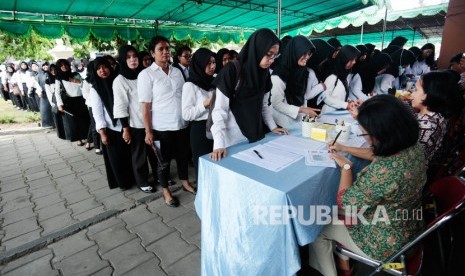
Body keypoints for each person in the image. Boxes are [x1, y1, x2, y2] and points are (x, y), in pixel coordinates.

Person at [310, 95, 426, 276]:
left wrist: (346, 167)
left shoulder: (385, 171)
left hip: (385, 242)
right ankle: (344, 262)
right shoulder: (412, 147)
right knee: (330, 212)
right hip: (408, 226)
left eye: (364, 133)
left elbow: (346, 205)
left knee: (315, 227)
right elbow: (378, 154)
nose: (365, 137)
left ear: (380, 135)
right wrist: (345, 148)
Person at [210, 28, 289, 161]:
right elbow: (219, 111)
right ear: (257, 49)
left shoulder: (264, 73)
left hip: (256, 134)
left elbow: (264, 105)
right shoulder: (232, 70)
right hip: (232, 138)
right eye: (269, 54)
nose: (271, 60)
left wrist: (273, 126)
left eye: (274, 55)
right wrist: (218, 144)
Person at [138, 35, 196, 207]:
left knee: (183, 156)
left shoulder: (176, 71)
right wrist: (148, 131)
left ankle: (185, 182)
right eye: (160, 49)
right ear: (152, 53)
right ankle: (166, 191)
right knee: (163, 163)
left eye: (166, 48)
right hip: (161, 127)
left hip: (181, 123)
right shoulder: (146, 75)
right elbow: (145, 106)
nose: (165, 52)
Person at [113, 45, 158, 193]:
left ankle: (159, 176)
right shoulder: (120, 80)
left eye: (135, 56)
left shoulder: (144, 74)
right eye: (128, 57)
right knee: (140, 154)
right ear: (122, 60)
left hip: (153, 120)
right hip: (136, 124)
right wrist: (125, 128)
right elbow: (121, 106)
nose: (133, 60)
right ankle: (142, 181)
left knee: (156, 150)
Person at [90, 57, 135, 190]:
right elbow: (97, 113)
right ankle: (122, 183)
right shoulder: (95, 89)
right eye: (98, 69)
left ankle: (133, 178)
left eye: (104, 67)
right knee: (116, 159)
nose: (102, 71)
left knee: (128, 156)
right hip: (110, 127)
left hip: (125, 124)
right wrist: (102, 133)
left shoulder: (118, 81)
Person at [411, 70, 464, 166]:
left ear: (428, 95)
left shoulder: (425, 125)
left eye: (416, 90)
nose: (412, 94)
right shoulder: (439, 114)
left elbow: (411, 160)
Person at [270, 35, 322, 128]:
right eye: (304, 53)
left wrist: (305, 114)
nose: (307, 57)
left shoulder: (303, 71)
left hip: (298, 120)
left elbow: (303, 96)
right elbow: (276, 104)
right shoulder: (279, 75)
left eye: (309, 53)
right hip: (282, 122)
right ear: (295, 52)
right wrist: (302, 110)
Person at [181, 48, 216, 181]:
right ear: (200, 64)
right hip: (200, 130)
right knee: (203, 168)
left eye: (213, 62)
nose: (212, 66)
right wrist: (204, 105)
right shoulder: (190, 85)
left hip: (216, 126)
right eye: (208, 63)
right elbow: (186, 114)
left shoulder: (215, 80)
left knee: (217, 164)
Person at [55, 58, 90, 145]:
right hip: (69, 101)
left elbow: (83, 84)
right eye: (61, 66)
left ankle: (86, 137)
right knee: (73, 121)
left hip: (80, 99)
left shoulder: (76, 74)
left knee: (84, 119)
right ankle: (78, 138)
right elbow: (57, 93)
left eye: (65, 64)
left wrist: (76, 81)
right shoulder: (59, 78)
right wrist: (60, 105)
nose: (64, 67)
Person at [319, 45, 360, 114]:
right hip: (328, 115)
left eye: (355, 59)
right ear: (344, 58)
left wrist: (350, 102)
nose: (354, 62)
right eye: (351, 59)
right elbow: (325, 97)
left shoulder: (344, 75)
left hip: (337, 114)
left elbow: (339, 95)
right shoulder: (332, 76)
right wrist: (345, 105)